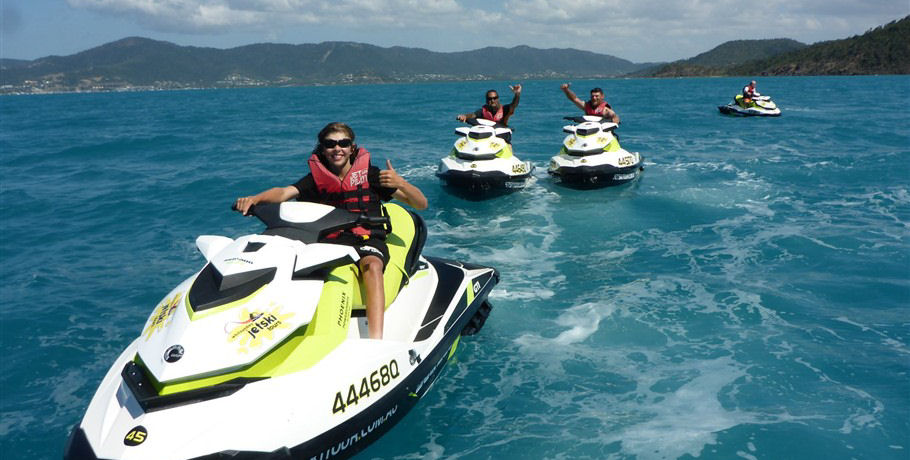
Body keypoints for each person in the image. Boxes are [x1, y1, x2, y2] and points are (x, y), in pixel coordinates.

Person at [234, 122, 428, 340]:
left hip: (365, 237)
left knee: (372, 266)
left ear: (352, 148)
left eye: (343, 143)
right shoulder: (315, 181)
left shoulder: (371, 176)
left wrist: (401, 183)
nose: (337, 148)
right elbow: (283, 193)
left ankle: (376, 338)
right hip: (330, 240)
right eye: (330, 144)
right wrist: (255, 199)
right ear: (323, 149)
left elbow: (421, 204)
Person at [456, 84, 522, 126]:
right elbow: (472, 115)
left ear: (498, 99)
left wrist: (517, 94)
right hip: (487, 138)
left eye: (495, 98)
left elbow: (514, 105)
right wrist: (464, 116)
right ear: (486, 100)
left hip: (501, 137)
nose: (492, 101)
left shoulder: (505, 109)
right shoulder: (483, 111)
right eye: (490, 99)